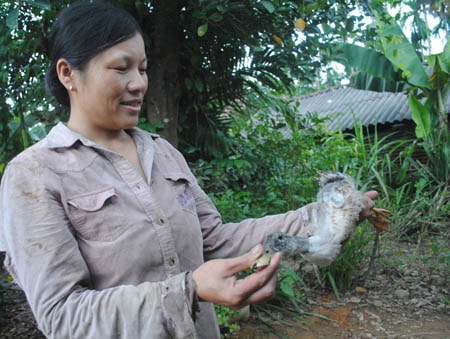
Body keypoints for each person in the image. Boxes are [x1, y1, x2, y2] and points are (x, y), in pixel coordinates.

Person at [0, 2, 377, 338]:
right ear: (68, 74)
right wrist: (188, 291)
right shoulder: (33, 174)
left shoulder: (162, 153)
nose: (139, 83)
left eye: (144, 69)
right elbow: (62, 316)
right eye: (121, 68)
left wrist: (324, 217)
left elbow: (216, 241)